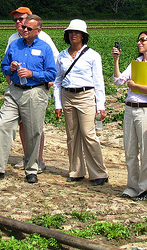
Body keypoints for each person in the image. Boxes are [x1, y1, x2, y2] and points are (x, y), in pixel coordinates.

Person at [0, 15, 56, 184]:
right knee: (3, 125)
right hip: (14, 91)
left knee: (33, 132)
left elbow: (52, 73)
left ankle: (31, 169)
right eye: (23, 27)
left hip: (35, 92)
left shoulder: (45, 48)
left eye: (29, 28)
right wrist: (11, 68)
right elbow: (4, 67)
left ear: (38, 31)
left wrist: (32, 74)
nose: (24, 30)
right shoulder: (14, 45)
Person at [112, 31, 147, 200]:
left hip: (146, 110)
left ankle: (146, 189)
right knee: (130, 150)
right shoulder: (136, 63)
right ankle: (132, 186)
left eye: (143, 40)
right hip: (130, 109)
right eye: (139, 40)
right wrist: (116, 60)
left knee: (146, 151)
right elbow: (118, 81)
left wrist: (135, 86)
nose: (139, 43)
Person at [54, 20, 108, 186]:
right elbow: (58, 80)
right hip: (67, 95)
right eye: (71, 32)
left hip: (86, 95)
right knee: (72, 134)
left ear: (84, 36)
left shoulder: (93, 55)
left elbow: (99, 82)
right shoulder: (62, 55)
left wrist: (101, 106)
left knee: (88, 134)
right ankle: (76, 171)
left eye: (77, 32)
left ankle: (99, 172)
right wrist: (58, 104)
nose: (73, 35)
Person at [6, 7, 59, 173]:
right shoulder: (13, 39)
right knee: (22, 124)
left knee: (34, 126)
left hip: (36, 87)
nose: (19, 23)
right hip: (17, 87)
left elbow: (55, 60)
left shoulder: (43, 39)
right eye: (16, 20)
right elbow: (7, 62)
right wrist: (10, 74)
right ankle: (27, 157)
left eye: (22, 19)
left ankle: (38, 158)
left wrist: (48, 80)